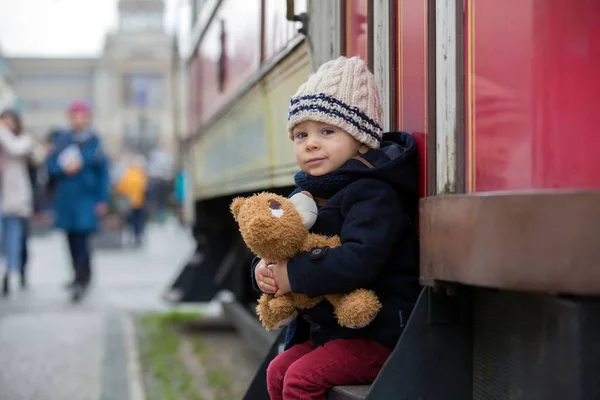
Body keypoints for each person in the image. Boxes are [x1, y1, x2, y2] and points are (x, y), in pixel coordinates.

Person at [250, 56, 421, 399]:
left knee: (300, 378)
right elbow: (278, 243)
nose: (311, 143)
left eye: (326, 131)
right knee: (278, 369)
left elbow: (360, 260)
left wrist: (294, 275)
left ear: (361, 140)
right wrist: (264, 270)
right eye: (301, 135)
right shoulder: (306, 194)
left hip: (378, 334)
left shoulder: (373, 193)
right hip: (337, 331)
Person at [46, 100, 110, 302]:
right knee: (70, 239)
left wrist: (102, 200)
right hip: (67, 198)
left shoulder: (95, 142)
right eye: (74, 116)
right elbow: (50, 168)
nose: (77, 120)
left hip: (86, 198)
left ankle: (82, 277)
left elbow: (103, 174)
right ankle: (77, 273)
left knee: (83, 239)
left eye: (81, 116)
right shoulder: (62, 141)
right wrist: (63, 169)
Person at [0, 109, 45, 295]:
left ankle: (13, 273)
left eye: (10, 121)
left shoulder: (24, 140)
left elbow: (17, 148)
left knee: (16, 239)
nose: (7, 125)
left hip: (14, 200)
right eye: (4, 121)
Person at [114, 154, 148, 247]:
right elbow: (144, 188)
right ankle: (138, 236)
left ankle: (132, 237)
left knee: (130, 221)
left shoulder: (128, 174)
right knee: (138, 220)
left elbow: (121, 187)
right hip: (139, 202)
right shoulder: (141, 175)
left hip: (129, 203)